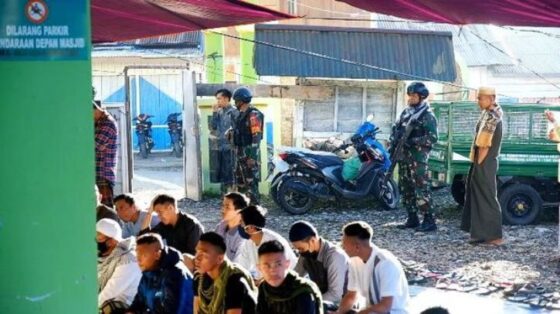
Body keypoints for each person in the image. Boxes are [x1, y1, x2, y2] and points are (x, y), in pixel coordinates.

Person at [390, 82, 438, 232]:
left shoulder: (427, 115)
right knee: (406, 187)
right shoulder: (406, 113)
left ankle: (429, 220)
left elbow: (433, 138)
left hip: (418, 158)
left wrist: (413, 141)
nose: (410, 98)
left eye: (414, 95)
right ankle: (412, 218)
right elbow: (396, 129)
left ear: (422, 96)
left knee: (421, 188)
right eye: (409, 95)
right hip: (404, 156)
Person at [460, 87, 504, 246]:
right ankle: (480, 233)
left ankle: (494, 236)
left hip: (485, 161)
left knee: (486, 196)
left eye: (481, 98)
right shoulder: (489, 113)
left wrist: (479, 164)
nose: (478, 101)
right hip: (481, 160)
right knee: (477, 195)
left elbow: (484, 144)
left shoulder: (493, 116)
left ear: (491, 99)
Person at [336, 221, 410, 314]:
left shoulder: (385, 263)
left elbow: (385, 306)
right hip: (370, 311)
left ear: (357, 247)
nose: (342, 247)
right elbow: (351, 295)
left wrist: (362, 312)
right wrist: (338, 312)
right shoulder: (354, 260)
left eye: (344, 244)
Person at [126, 233, 194, 314]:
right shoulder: (148, 271)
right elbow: (139, 301)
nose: (139, 260)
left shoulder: (175, 273)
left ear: (157, 255)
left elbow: (169, 310)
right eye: (137, 255)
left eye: (143, 255)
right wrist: (131, 311)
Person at [193, 232, 258, 314]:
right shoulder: (199, 278)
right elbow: (196, 311)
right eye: (197, 252)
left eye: (203, 255)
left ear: (220, 259)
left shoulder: (235, 281)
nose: (197, 258)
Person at [289, 221, 349, 306]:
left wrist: (309, 302)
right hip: (322, 298)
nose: (300, 252)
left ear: (312, 241)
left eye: (301, 248)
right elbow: (294, 277)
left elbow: (335, 295)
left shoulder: (334, 256)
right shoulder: (306, 253)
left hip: (342, 304)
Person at [257, 240, 323, 314]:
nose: (273, 270)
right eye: (267, 266)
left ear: (287, 264)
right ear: (259, 268)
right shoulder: (264, 288)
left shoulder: (303, 291)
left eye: (278, 264)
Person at [234, 205, 298, 283]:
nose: (238, 225)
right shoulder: (248, 243)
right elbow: (241, 268)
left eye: (241, 222)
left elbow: (278, 272)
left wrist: (259, 283)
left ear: (251, 228)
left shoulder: (273, 242)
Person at [97, 219, 142, 311]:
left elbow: (109, 293)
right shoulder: (102, 256)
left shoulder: (128, 260)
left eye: (99, 238)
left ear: (112, 241)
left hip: (123, 307)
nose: (95, 241)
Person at [139, 194, 204, 255]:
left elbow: (193, 255)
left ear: (170, 208)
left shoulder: (191, 225)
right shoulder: (164, 225)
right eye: (157, 213)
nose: (159, 216)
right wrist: (149, 213)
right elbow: (144, 238)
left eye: (160, 212)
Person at [231, 87, 264, 204]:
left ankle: (256, 210)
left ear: (241, 100)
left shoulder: (253, 114)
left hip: (249, 153)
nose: (235, 103)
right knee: (241, 183)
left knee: (251, 184)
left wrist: (252, 157)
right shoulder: (240, 115)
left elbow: (256, 137)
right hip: (240, 153)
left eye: (236, 100)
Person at [211, 89, 239, 193]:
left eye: (219, 99)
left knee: (232, 174)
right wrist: (214, 112)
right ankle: (227, 195)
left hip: (231, 148)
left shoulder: (234, 112)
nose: (217, 101)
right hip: (221, 147)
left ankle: (233, 195)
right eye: (217, 99)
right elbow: (213, 127)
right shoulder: (219, 112)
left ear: (226, 98)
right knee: (224, 173)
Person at [94, 99, 118, 207]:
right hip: (98, 173)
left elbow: (94, 146)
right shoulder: (99, 123)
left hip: (103, 174)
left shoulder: (107, 124)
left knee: (105, 212)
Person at [215, 192, 250, 261]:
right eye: (222, 206)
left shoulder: (244, 236)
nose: (222, 210)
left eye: (227, 207)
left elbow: (238, 266)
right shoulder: (220, 227)